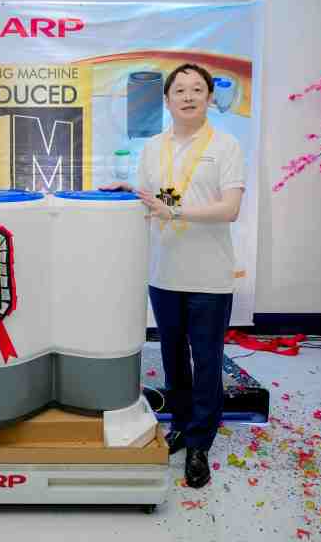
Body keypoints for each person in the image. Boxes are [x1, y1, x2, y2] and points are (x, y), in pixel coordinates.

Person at [104, 63, 245, 488]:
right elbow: (153, 199)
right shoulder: (153, 147)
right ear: (166, 100)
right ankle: (182, 424)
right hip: (164, 271)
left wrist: (176, 211)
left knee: (207, 359)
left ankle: (200, 442)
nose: (188, 96)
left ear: (209, 98)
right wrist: (129, 193)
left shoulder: (225, 146)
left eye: (197, 89)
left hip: (209, 275)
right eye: (179, 90)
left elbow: (230, 208)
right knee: (172, 356)